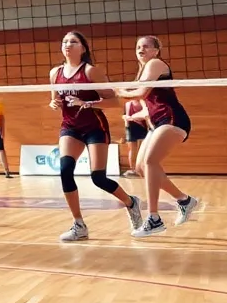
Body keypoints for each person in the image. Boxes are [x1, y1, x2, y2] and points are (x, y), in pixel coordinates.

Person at [49, 31, 142, 242]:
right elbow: (55, 100)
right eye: (64, 41)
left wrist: (87, 104)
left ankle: (131, 203)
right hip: (70, 127)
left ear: (83, 48)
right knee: (65, 171)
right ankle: (79, 224)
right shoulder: (55, 73)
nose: (68, 44)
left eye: (73, 41)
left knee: (98, 178)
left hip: (94, 127)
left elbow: (113, 101)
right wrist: (53, 103)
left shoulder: (91, 72)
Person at [117, 36, 198, 236]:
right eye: (138, 47)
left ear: (156, 50)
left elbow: (141, 93)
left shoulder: (155, 63)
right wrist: (133, 115)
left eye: (146, 46)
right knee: (139, 166)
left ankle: (154, 218)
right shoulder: (143, 71)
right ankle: (184, 200)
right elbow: (148, 105)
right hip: (157, 122)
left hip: (173, 119)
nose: (141, 49)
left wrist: (116, 90)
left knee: (151, 162)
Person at [121, 99, 150, 176]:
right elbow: (124, 115)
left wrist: (134, 118)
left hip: (142, 127)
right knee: (132, 149)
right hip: (130, 127)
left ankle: (141, 168)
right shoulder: (127, 104)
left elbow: (146, 115)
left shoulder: (143, 102)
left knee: (142, 148)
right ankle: (133, 169)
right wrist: (126, 120)